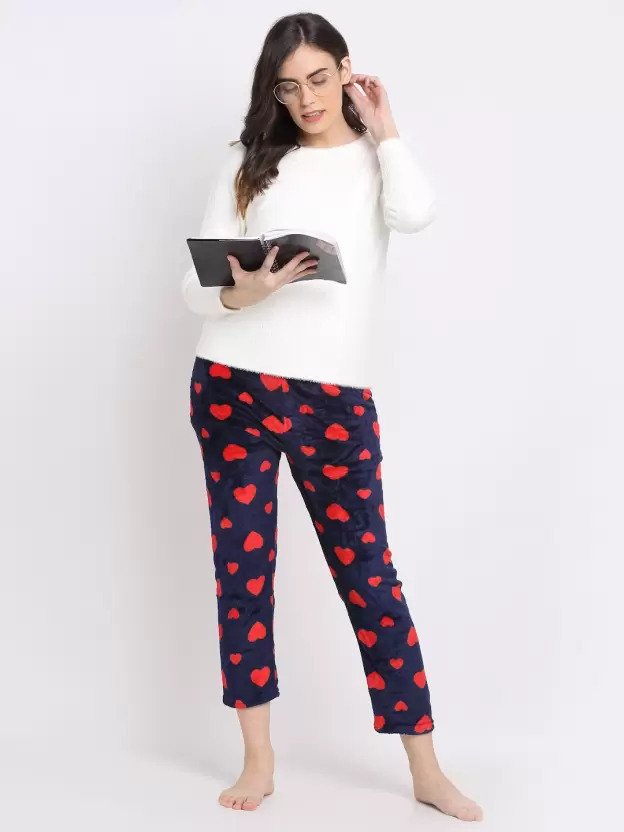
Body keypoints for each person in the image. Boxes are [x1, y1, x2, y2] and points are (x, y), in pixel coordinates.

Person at [182, 12, 483, 822]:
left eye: (319, 79)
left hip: (332, 401)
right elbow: (193, 288)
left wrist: (387, 132)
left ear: (347, 72)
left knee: (370, 578)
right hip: (231, 385)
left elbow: (416, 214)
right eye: (288, 87)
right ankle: (258, 758)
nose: (306, 100)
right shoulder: (247, 161)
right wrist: (246, 293)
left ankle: (425, 767)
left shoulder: (377, 161)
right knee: (243, 578)